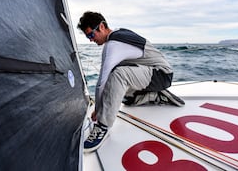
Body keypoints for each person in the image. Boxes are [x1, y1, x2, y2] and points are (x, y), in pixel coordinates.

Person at [77, 11, 185, 153]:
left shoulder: (113, 44)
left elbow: (101, 81)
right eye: (88, 37)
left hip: (161, 73)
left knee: (119, 75)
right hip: (152, 74)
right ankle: (155, 96)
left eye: (91, 35)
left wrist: (98, 109)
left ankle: (103, 126)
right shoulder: (120, 33)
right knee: (117, 95)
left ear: (102, 27)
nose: (91, 40)